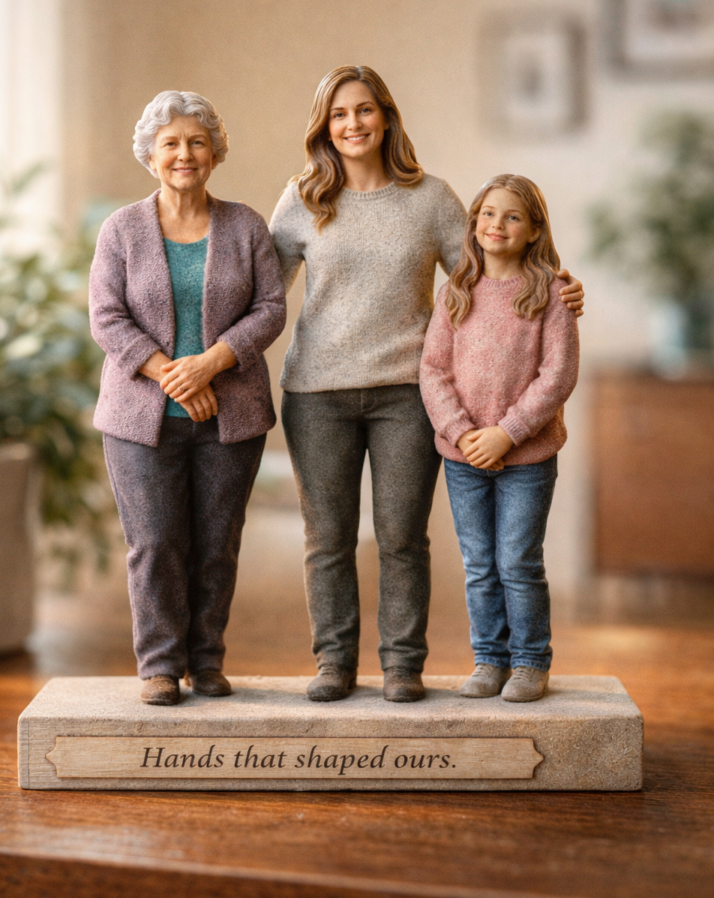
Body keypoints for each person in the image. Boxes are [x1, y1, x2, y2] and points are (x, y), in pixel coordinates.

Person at [269, 66, 584, 704]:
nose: (352, 124)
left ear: (386, 116)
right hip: (316, 395)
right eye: (338, 115)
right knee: (327, 539)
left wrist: (560, 285)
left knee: (402, 537)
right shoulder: (303, 198)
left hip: (406, 398)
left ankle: (401, 667)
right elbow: (258, 296)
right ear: (324, 127)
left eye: (363, 110)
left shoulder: (432, 198)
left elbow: (491, 265)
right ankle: (334, 663)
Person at [89, 91, 286, 706]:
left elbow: (271, 308)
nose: (184, 154)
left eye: (197, 141)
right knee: (154, 542)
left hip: (232, 415)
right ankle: (159, 665)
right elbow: (106, 316)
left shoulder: (247, 225)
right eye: (170, 143)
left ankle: (206, 661)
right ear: (150, 155)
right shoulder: (121, 229)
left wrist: (211, 364)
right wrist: (172, 375)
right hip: (138, 418)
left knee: (217, 541)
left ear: (215, 152)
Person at [420, 174, 579, 703]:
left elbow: (556, 376)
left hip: (527, 458)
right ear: (473, 222)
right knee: (480, 564)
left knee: (517, 561)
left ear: (534, 229)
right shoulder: (457, 291)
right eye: (488, 213)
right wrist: (464, 434)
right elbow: (433, 370)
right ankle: (489, 659)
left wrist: (506, 434)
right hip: (463, 457)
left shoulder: (551, 294)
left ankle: (531, 661)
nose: (497, 225)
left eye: (512, 216)